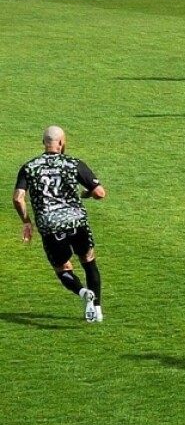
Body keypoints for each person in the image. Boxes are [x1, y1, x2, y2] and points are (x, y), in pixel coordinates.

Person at [12, 126, 107, 323]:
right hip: (76, 221)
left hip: (50, 225)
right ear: (62, 142)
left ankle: (82, 292)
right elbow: (100, 193)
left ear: (44, 143)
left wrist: (27, 221)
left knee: (63, 269)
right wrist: (86, 193)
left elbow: (18, 198)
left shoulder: (29, 167)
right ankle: (97, 310)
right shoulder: (73, 163)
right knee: (88, 261)